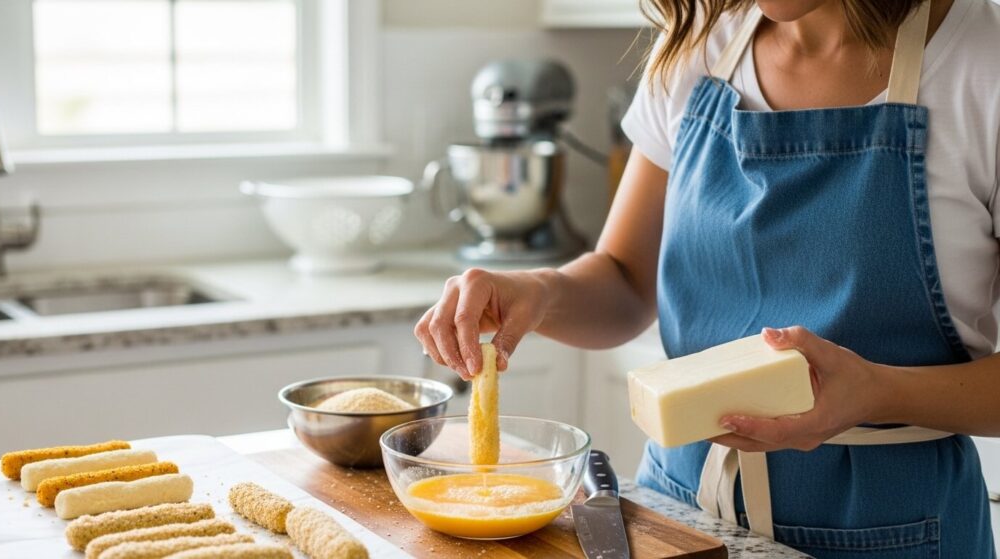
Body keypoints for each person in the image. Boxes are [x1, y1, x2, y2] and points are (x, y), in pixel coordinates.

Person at [414, 0, 1000, 556]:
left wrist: (876, 391)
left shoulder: (983, 68)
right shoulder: (698, 49)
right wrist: (539, 292)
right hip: (678, 516)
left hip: (898, 529)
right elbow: (622, 281)